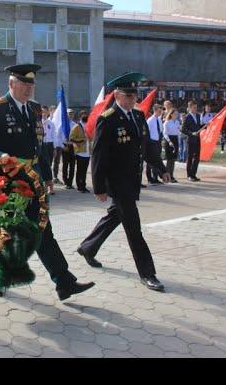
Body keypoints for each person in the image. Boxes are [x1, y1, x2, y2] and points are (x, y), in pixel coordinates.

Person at [0, 63, 94, 300]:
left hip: (31, 182)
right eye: (23, 83)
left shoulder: (35, 109)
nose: (28, 88)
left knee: (43, 232)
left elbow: (38, 148)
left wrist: (47, 176)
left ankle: (64, 282)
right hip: (4, 182)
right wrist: (0, 156)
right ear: (11, 84)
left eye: (31, 84)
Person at [76, 72, 171, 292]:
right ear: (117, 96)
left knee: (114, 216)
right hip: (118, 183)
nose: (132, 99)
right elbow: (99, 155)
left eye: (134, 95)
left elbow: (145, 147)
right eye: (127, 96)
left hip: (133, 180)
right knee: (133, 227)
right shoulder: (108, 119)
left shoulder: (138, 117)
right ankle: (148, 273)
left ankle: (88, 247)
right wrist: (98, 187)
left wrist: (161, 168)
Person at [69, 111, 92, 193]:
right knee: (80, 170)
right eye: (83, 115)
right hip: (80, 152)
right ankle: (80, 186)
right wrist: (81, 140)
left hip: (88, 152)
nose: (85, 116)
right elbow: (71, 138)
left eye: (86, 115)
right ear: (80, 117)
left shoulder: (89, 125)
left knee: (85, 170)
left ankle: (83, 185)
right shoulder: (76, 127)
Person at [181, 100, 202, 181]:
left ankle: (194, 174)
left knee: (197, 157)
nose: (196, 109)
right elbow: (183, 129)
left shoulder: (197, 116)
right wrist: (191, 133)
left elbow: (199, 126)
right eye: (194, 107)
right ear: (190, 108)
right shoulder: (187, 117)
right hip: (190, 139)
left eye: (196, 107)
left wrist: (205, 125)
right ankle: (189, 175)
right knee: (190, 157)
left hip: (197, 139)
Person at [145, 103, 165, 184]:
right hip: (151, 142)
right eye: (159, 111)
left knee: (157, 160)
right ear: (155, 110)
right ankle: (150, 178)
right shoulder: (150, 120)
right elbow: (147, 132)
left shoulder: (159, 120)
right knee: (151, 161)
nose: (160, 112)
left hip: (158, 142)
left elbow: (160, 130)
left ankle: (155, 177)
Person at [41, 105, 57, 194]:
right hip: (42, 145)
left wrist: (54, 148)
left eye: (45, 111)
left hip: (50, 145)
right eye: (42, 111)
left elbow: (54, 136)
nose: (44, 113)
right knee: (43, 165)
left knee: (49, 164)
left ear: (48, 112)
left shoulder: (51, 123)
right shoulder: (38, 122)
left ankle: (49, 186)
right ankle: (44, 186)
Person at [163, 108, 180, 183]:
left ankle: (172, 176)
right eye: (175, 114)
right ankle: (167, 176)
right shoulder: (167, 122)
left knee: (173, 160)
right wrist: (169, 141)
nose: (176, 115)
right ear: (171, 114)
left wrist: (178, 142)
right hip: (169, 140)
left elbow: (178, 132)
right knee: (169, 159)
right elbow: (165, 133)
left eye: (177, 114)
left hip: (175, 139)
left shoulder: (177, 122)